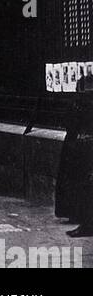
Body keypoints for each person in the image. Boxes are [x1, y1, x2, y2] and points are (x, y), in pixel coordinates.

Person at [56, 69, 93, 234]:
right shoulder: (80, 103)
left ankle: (79, 216)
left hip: (78, 144)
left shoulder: (79, 103)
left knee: (79, 181)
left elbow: (69, 122)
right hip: (79, 143)